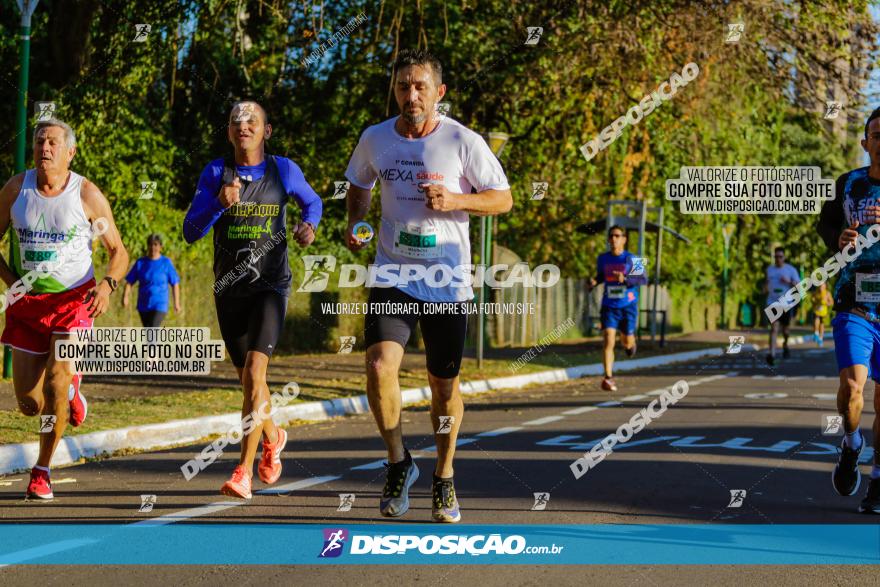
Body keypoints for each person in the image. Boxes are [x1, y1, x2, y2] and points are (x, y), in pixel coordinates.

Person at [344, 48, 512, 523]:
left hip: (447, 279)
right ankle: (399, 463)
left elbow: (503, 199)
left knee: (443, 387)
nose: (410, 94)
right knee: (379, 366)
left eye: (419, 86)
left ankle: (444, 476)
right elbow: (359, 184)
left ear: (438, 93)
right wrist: (357, 223)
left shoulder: (463, 141)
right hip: (393, 270)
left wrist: (458, 199)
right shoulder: (375, 138)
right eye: (402, 86)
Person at [183, 101, 322, 499]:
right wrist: (218, 203)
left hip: (270, 286)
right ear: (229, 133)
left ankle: (242, 470)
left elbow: (313, 202)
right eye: (236, 122)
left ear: (267, 131)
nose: (243, 126)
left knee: (256, 374)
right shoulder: (215, 172)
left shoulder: (284, 170)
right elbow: (191, 229)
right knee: (249, 380)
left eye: (252, 121)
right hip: (229, 289)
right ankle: (273, 436)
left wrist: (308, 225)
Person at [0, 118, 129, 499]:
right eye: (40, 141)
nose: (45, 148)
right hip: (28, 304)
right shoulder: (14, 189)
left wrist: (107, 285)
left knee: (56, 380)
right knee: (27, 402)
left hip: (75, 301)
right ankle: (71, 393)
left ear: (70, 152)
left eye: (54, 142)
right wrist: (12, 284)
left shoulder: (86, 194)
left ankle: (42, 471)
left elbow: (118, 252)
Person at [817, 106, 880, 514]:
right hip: (854, 299)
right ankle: (851, 443)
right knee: (853, 390)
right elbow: (824, 225)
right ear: (865, 143)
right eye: (878, 134)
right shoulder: (849, 184)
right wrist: (838, 237)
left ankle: (878, 483)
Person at [586, 225, 642, 392]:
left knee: (626, 340)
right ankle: (608, 377)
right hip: (609, 305)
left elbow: (642, 279)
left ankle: (630, 344)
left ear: (624, 239)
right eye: (611, 236)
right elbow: (601, 276)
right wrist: (594, 282)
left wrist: (625, 279)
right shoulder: (602, 258)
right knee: (609, 338)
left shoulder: (634, 259)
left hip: (628, 305)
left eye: (617, 236)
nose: (613, 239)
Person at [122, 234, 181, 326]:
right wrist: (125, 297)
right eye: (150, 244)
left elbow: (175, 283)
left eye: (155, 244)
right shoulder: (141, 263)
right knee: (149, 335)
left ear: (160, 247)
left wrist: (176, 303)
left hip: (159, 304)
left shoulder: (166, 263)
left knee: (153, 330)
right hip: (143, 305)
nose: (153, 247)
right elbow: (129, 282)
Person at [764, 247, 800, 366]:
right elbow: (766, 285)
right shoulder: (770, 270)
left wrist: (788, 282)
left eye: (780, 257)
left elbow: (799, 286)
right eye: (776, 257)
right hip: (772, 302)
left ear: (784, 257)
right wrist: (766, 287)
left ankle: (785, 344)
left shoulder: (791, 270)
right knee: (774, 328)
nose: (778, 259)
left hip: (786, 303)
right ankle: (772, 354)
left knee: (785, 330)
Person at [811, 282, 833, 346]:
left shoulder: (827, 293)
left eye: (822, 286)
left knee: (822, 324)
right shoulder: (816, 292)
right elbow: (812, 299)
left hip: (824, 311)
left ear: (825, 286)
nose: (821, 287)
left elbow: (831, 302)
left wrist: (827, 303)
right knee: (816, 319)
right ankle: (816, 333)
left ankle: (820, 338)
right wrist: (814, 300)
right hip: (817, 310)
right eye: (820, 286)